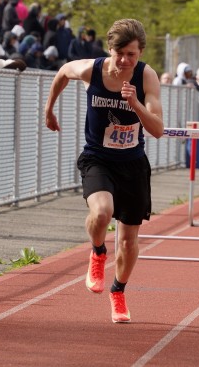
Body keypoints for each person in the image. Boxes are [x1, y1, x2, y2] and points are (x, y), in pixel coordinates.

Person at [43, 18, 164, 323]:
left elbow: (158, 130)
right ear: (110, 49)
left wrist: (135, 103)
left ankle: (118, 291)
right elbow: (63, 71)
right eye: (119, 53)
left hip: (132, 164)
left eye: (131, 55)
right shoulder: (92, 70)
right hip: (98, 158)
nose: (124, 61)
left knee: (128, 241)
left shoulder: (146, 76)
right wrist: (49, 109)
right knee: (102, 212)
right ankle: (98, 251)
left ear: (140, 53)